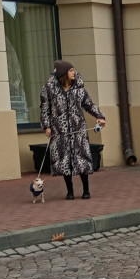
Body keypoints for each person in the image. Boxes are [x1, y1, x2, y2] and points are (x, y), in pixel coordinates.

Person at [40, 60, 106, 199]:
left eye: (73, 70)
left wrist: (99, 116)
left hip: (78, 131)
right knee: (65, 161)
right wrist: (47, 126)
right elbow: (45, 109)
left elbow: (89, 104)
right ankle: (69, 191)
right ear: (63, 74)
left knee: (81, 159)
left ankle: (86, 190)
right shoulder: (49, 89)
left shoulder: (79, 89)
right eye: (70, 71)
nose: (74, 73)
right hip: (60, 132)